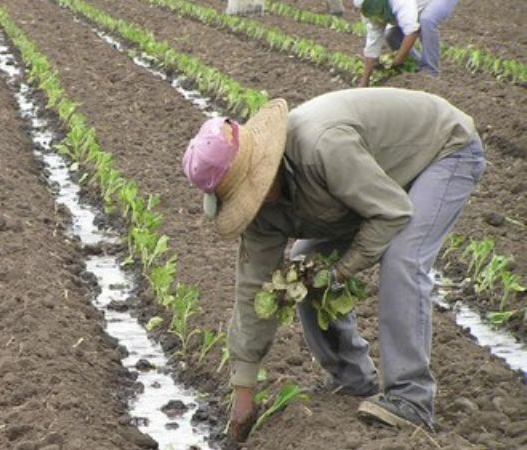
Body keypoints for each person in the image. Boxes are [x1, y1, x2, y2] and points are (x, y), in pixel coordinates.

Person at [181, 88, 485, 442]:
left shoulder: (322, 148)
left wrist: (341, 270)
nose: (251, 203)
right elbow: (253, 290)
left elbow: (391, 212)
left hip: (442, 150)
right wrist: (243, 394)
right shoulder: (263, 216)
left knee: (403, 258)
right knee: (302, 265)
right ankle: (352, 378)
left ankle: (411, 399)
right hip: (377, 180)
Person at [354, 0, 459, 86]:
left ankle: (430, 71)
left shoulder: (399, 2)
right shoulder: (370, 13)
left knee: (427, 21)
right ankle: (417, 68)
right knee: (391, 34)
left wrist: (397, 60)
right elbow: (372, 47)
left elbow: (412, 32)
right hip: (415, 6)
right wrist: (365, 82)